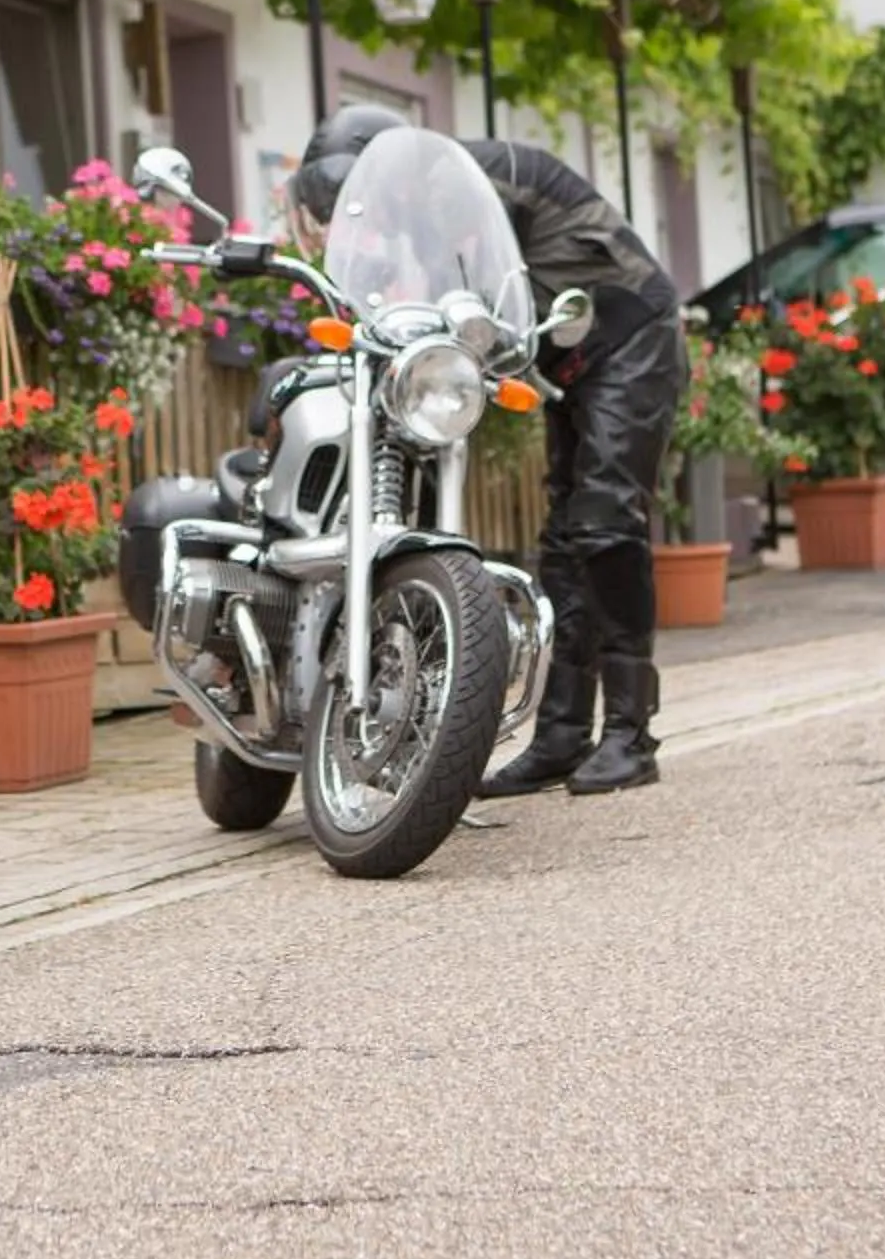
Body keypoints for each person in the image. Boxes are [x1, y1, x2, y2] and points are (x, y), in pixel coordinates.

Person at [291, 105, 687, 796]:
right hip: (568, 360)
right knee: (565, 538)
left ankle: (631, 732)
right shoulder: (421, 205)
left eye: (358, 202)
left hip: (630, 337)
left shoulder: (458, 180)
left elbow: (472, 285)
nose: (368, 223)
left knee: (605, 521)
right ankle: (562, 737)